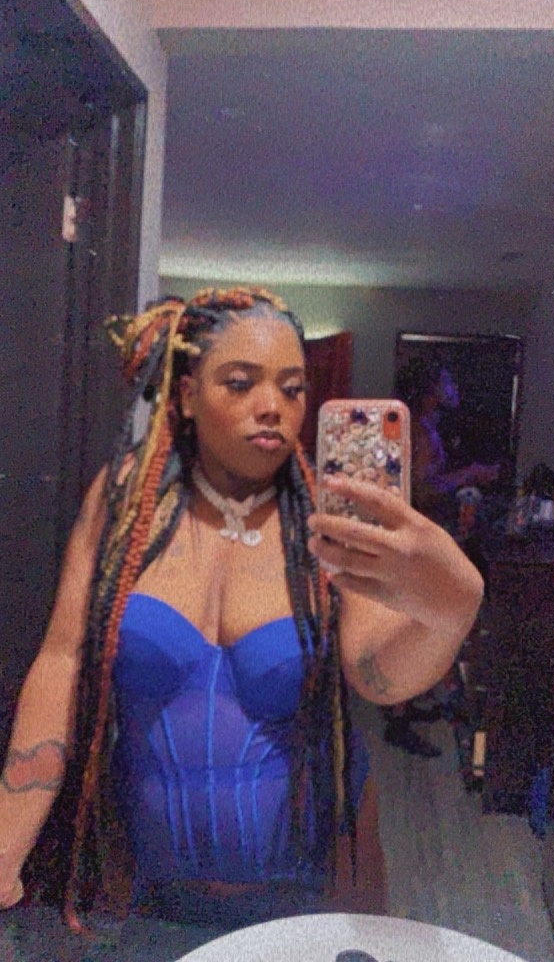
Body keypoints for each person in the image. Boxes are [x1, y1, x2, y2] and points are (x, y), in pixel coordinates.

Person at [0, 288, 483, 950]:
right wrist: (7, 839)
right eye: (240, 382)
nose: (272, 405)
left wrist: (451, 609)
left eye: (292, 387)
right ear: (187, 393)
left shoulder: (327, 521)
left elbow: (376, 674)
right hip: (150, 897)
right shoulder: (124, 503)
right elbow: (63, 664)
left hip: (311, 895)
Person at [382, 356, 499, 757]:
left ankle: (406, 704)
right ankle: (397, 720)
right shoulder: (417, 429)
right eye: (447, 381)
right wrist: (470, 474)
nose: (454, 388)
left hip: (419, 541)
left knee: (420, 621)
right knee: (413, 625)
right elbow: (420, 490)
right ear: (432, 388)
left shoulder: (424, 426)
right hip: (413, 544)